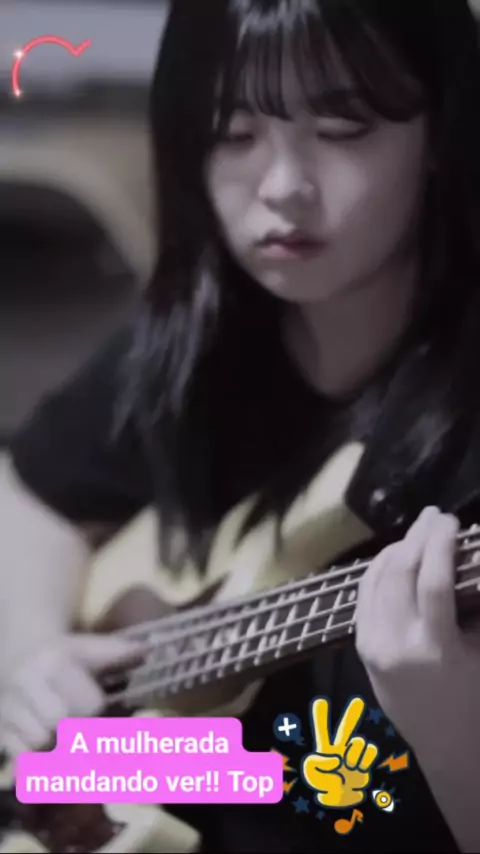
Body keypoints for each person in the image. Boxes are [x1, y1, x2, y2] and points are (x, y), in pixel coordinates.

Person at [2, 0, 480, 851]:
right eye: (234, 133)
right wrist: (36, 661)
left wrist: (450, 724)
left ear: (442, 133)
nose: (283, 186)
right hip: (228, 778)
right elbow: (26, 492)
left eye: (342, 128)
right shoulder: (206, 337)